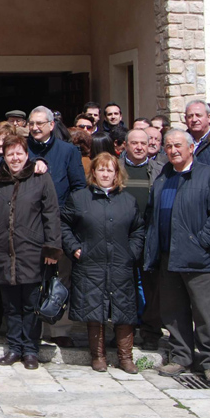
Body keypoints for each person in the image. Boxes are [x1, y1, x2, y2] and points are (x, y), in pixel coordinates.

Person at [145, 130, 210, 383]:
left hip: (201, 259)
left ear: (192, 147)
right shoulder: (164, 176)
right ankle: (181, 357)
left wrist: (201, 242)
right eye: (169, 146)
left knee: (205, 314)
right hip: (168, 257)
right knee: (174, 312)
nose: (173, 150)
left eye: (178, 146)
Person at [0, 135, 61, 370]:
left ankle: (31, 349)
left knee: (31, 304)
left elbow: (51, 214)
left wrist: (52, 247)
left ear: (27, 155)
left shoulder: (40, 178)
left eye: (19, 153)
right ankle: (14, 347)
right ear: (3, 156)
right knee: (11, 306)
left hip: (32, 251)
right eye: (10, 154)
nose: (15, 158)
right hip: (2, 251)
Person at [62, 153, 146, 373]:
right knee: (94, 309)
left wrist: (132, 252)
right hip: (91, 263)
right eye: (101, 169)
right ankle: (97, 356)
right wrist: (74, 248)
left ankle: (125, 357)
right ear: (93, 173)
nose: (105, 174)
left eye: (110, 170)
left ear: (117, 174)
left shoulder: (127, 200)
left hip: (120, 263)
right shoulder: (80, 198)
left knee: (124, 309)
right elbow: (64, 225)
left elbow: (138, 229)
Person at [28, 105, 86, 347]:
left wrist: (68, 219)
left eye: (40, 123)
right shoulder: (22, 150)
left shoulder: (68, 151)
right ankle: (33, 327)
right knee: (32, 277)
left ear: (52, 125)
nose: (35, 127)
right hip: (29, 225)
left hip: (61, 224)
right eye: (31, 123)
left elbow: (78, 187)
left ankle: (59, 329)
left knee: (60, 277)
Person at [121, 128, 165, 349]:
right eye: (134, 143)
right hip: (121, 237)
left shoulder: (160, 170)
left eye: (143, 143)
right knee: (123, 287)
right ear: (125, 145)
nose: (139, 147)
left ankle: (151, 333)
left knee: (152, 288)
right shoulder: (114, 168)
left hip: (150, 237)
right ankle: (122, 332)